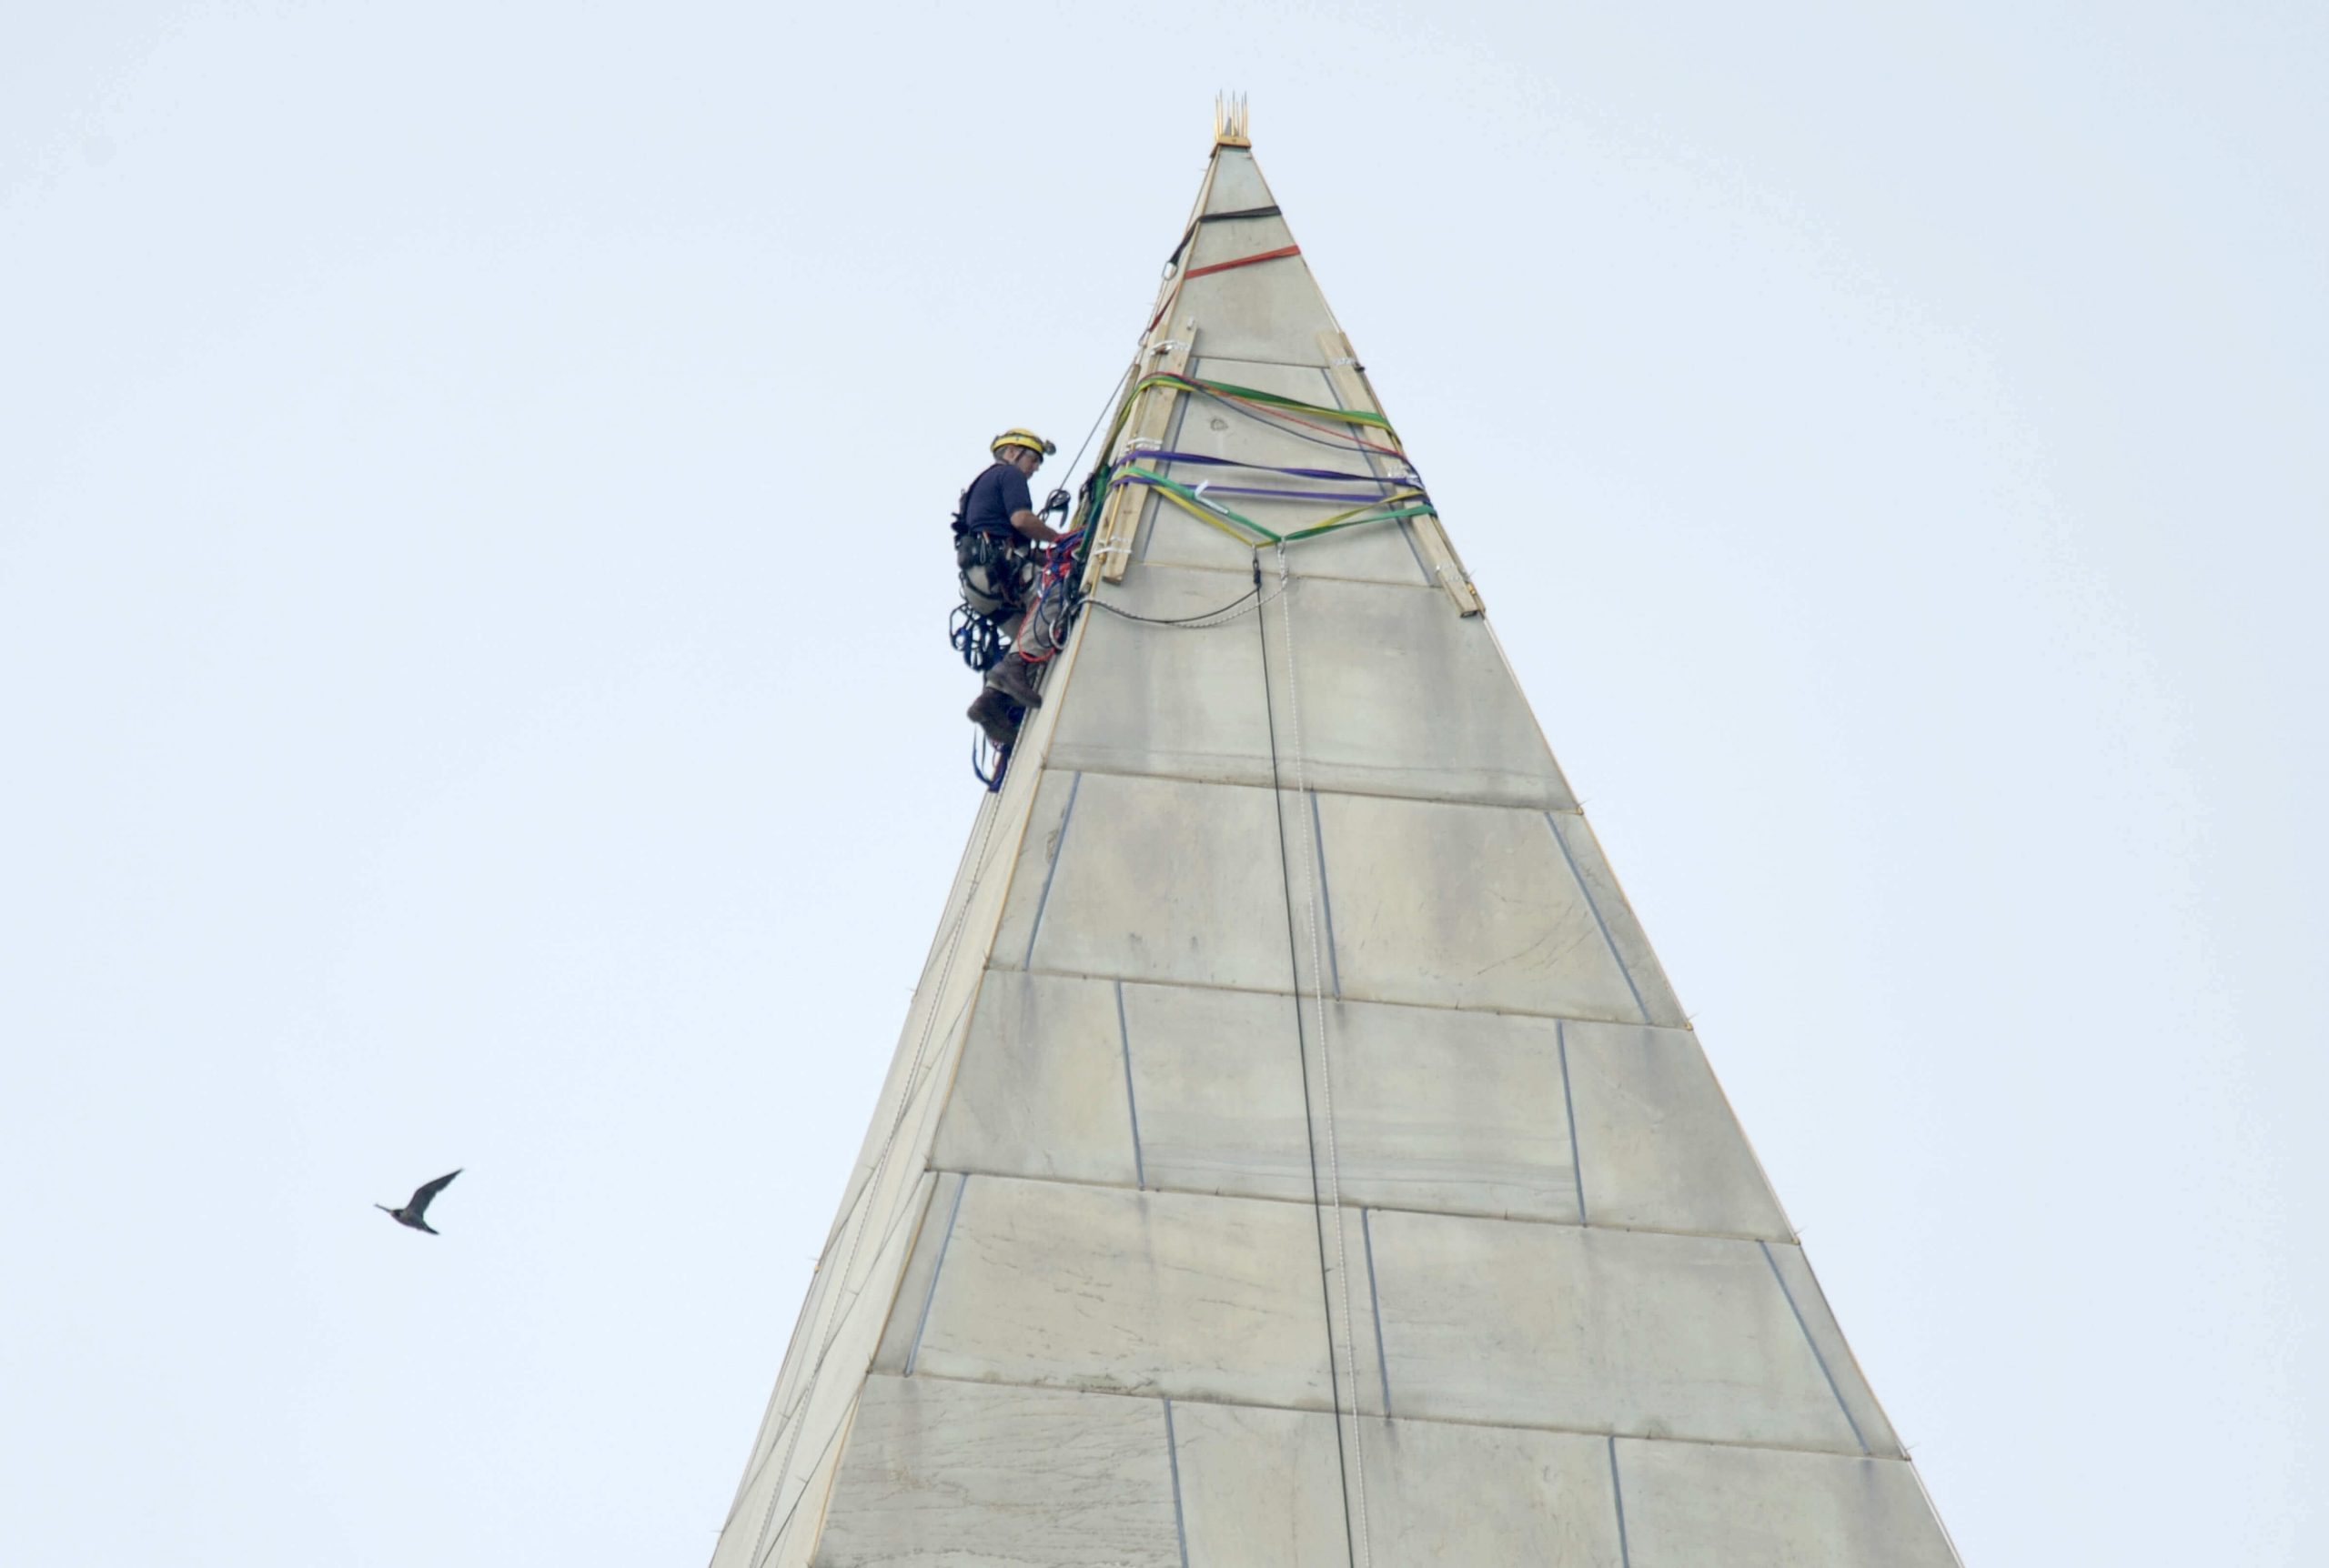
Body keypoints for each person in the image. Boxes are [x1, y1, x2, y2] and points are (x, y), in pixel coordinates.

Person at [956, 427, 1065, 747]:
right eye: (1034, 459)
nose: (1034, 469)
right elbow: (1021, 520)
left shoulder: (980, 487)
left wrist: (1046, 555)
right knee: (1057, 593)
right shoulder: (1009, 475)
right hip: (999, 573)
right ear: (1014, 452)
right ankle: (1009, 671)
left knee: (1033, 643)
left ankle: (993, 705)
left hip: (981, 585)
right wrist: (1059, 539)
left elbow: (1008, 536)